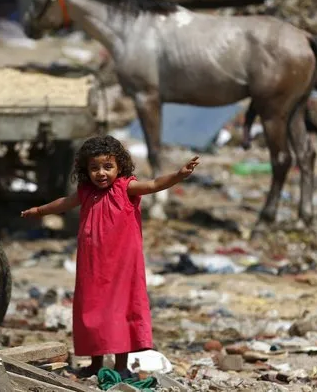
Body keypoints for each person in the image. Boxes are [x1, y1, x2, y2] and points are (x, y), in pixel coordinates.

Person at [21, 135, 200, 378]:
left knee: (120, 310)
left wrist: (179, 175)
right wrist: (39, 211)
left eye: (108, 167)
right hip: (92, 264)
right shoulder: (85, 192)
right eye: (94, 168)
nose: (101, 173)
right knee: (92, 310)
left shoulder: (126, 187)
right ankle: (95, 364)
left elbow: (154, 184)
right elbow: (64, 203)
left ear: (120, 167)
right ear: (86, 170)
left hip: (122, 265)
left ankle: (121, 365)